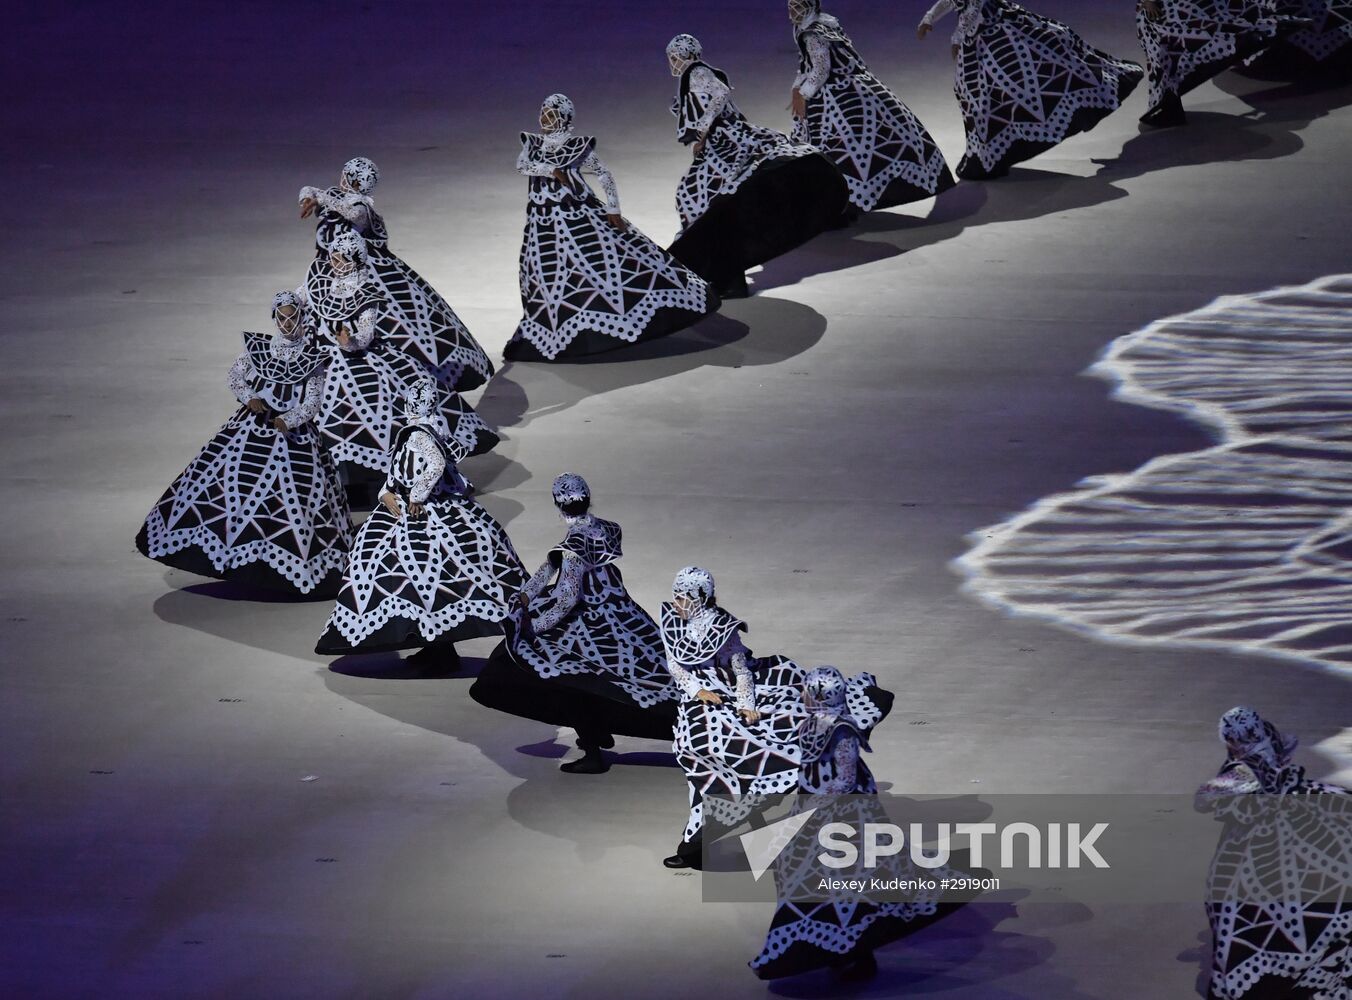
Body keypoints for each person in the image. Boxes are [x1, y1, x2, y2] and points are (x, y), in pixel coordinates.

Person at [660, 567, 892, 869]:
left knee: (754, 747)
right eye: (675, 596)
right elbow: (675, 665)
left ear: (698, 597)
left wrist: (746, 703)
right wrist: (697, 690)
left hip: (730, 698)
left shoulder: (723, 627)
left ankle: (699, 840)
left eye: (682, 597)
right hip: (698, 706)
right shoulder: (673, 623)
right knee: (703, 767)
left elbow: (741, 671)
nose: (676, 602)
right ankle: (695, 842)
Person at [751, 667, 969, 981]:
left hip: (843, 814)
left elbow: (846, 779)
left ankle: (855, 950)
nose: (801, 695)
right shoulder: (812, 723)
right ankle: (837, 944)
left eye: (807, 690)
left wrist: (812, 805)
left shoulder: (842, 730)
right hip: (813, 806)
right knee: (795, 869)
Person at [137, 292, 352, 596]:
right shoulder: (260, 349)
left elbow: (313, 402)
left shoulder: (313, 358)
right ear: (274, 319)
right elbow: (236, 377)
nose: (288, 323)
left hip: (293, 437)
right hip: (252, 427)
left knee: (295, 499)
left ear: (302, 317)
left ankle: (282, 562)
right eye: (282, 317)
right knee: (231, 483)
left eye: (293, 317)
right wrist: (250, 398)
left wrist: (288, 420)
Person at [469, 473, 679, 772]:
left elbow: (567, 598)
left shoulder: (573, 546)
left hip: (588, 625)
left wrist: (532, 628)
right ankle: (598, 729)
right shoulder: (605, 529)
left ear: (557, 504)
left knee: (571, 683)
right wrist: (527, 594)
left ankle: (592, 747)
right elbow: (550, 566)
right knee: (637, 673)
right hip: (622, 615)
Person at [314, 381, 525, 672]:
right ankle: (435, 646)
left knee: (425, 575)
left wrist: (416, 495)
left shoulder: (420, 433)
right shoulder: (428, 429)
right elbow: (399, 470)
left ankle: (439, 649)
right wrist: (386, 493)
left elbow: (437, 465)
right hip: (410, 506)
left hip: (422, 512)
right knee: (422, 580)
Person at [505, 95, 718, 361]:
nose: (544, 118)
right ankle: (556, 330)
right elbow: (523, 165)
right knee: (542, 271)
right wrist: (552, 171)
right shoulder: (534, 144)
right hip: (542, 219)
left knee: (598, 263)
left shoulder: (575, 146)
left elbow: (604, 174)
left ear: (564, 118)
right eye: (543, 112)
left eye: (550, 114)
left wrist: (613, 208)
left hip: (575, 212)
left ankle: (610, 321)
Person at [299, 230, 496, 491]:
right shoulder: (322, 280)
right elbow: (300, 297)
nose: (335, 263)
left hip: (358, 359)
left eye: (341, 259)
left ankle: (375, 477)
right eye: (333, 257)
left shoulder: (365, 292)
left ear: (355, 260)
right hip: (322, 355)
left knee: (370, 409)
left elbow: (366, 333)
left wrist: (350, 341)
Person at [664, 34, 850, 298]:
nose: (671, 63)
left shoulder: (697, 73)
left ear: (681, 56)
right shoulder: (694, 75)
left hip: (726, 144)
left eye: (673, 57)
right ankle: (722, 269)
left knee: (702, 200)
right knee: (702, 199)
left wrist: (703, 131)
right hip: (724, 143)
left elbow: (721, 94)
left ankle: (726, 275)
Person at [298, 156, 494, 392]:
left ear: (357, 182)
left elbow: (350, 213)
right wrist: (308, 197)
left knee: (390, 325)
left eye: (348, 175)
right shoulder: (333, 196)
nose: (342, 179)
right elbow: (308, 188)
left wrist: (321, 197)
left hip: (363, 275)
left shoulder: (361, 208)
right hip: (328, 273)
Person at [1196, 707, 1351, 999]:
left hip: (1258, 839)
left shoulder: (1247, 767)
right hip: (1297, 813)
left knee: (1231, 903)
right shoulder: (1268, 742)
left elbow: (1205, 798)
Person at [917, 0, 1144, 177]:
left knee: (1002, 85)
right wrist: (930, 18)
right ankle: (992, 152)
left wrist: (957, 37)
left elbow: (976, 7)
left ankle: (997, 151)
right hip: (978, 36)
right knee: (978, 91)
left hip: (994, 30)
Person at [787, 0, 954, 215]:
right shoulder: (812, 26)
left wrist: (803, 93)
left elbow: (821, 69)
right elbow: (807, 62)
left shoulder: (814, 32)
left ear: (809, 6)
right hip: (850, 84)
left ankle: (843, 200)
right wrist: (797, 87)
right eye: (790, 5)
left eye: (797, 6)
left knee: (845, 140)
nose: (792, 10)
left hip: (838, 89)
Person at [1136, 0, 1288, 127]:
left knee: (1167, 55)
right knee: (1167, 56)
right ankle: (1170, 108)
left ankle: (1170, 108)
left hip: (1165, 11)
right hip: (1163, 11)